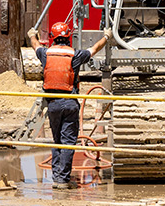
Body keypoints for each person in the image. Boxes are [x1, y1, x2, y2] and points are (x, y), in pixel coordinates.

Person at [27, 21, 111, 189]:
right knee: (67, 142)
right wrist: (106, 37)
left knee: (57, 140)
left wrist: (31, 35)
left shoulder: (46, 53)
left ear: (54, 38)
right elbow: (94, 49)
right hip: (70, 103)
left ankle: (57, 178)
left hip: (53, 104)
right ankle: (63, 180)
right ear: (67, 37)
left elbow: (35, 45)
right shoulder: (75, 54)